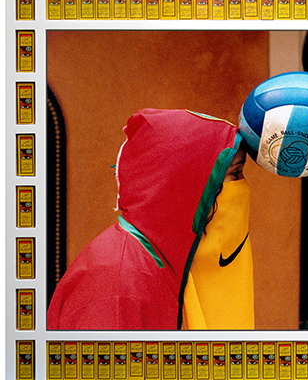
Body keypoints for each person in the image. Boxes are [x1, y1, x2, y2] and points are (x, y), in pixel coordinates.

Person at [47, 108, 254, 330]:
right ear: (188, 183)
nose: (244, 185)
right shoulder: (117, 281)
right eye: (235, 173)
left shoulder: (166, 261)